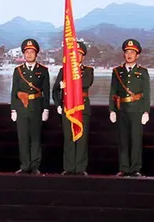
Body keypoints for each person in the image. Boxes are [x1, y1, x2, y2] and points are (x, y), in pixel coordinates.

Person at [108, 39, 151, 177]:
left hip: (137, 110)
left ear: (137, 55)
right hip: (122, 110)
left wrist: (146, 111)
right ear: (124, 54)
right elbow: (113, 92)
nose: (129, 55)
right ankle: (124, 168)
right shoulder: (117, 71)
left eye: (132, 52)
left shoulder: (143, 72)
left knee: (136, 140)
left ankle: (135, 168)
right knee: (123, 140)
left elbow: (146, 93)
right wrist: (112, 110)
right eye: (127, 52)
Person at [52, 41, 94, 176]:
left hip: (82, 108)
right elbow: (55, 90)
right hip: (68, 108)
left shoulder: (88, 71)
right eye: (74, 54)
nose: (77, 57)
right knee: (69, 138)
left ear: (83, 56)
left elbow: (85, 83)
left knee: (81, 139)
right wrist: (59, 105)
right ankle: (69, 167)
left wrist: (68, 83)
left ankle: (80, 168)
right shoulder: (63, 70)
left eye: (79, 54)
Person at [10, 39, 51, 175]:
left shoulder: (43, 71)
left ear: (36, 54)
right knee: (23, 138)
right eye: (26, 52)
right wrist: (13, 109)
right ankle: (25, 165)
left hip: (37, 107)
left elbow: (46, 91)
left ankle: (34, 166)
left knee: (35, 138)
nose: (29, 54)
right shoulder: (18, 71)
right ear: (23, 54)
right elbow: (14, 91)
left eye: (31, 52)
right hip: (22, 108)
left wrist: (46, 109)